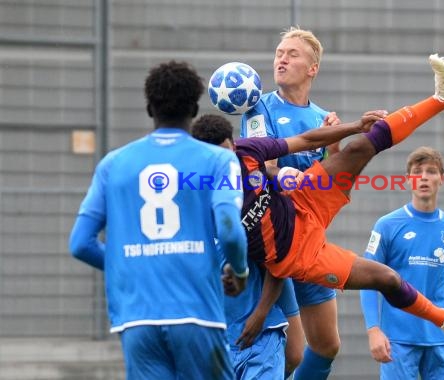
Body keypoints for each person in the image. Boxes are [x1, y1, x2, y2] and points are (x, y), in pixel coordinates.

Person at [194, 53, 444, 364]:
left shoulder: (247, 150)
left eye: (231, 151)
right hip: (300, 255)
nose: (230, 160)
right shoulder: (207, 199)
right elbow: (271, 261)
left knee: (361, 145)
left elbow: (306, 139)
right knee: (385, 279)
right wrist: (261, 312)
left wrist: (354, 126)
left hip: (304, 201)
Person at [68, 60, 249, 380]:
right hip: (197, 314)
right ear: (194, 109)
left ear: (150, 108)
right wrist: (239, 270)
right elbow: (230, 231)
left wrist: (127, 264)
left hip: (137, 319)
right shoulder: (220, 160)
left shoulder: (114, 164)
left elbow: (80, 244)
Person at [241, 26, 343, 380]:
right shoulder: (258, 109)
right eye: (279, 53)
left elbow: (331, 180)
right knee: (292, 352)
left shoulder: (322, 118)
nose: (281, 59)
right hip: (275, 240)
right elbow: (262, 166)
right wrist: (282, 175)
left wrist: (334, 145)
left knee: (327, 346)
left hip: (310, 239)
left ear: (312, 68)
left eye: (292, 54)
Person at [360, 146, 444, 380]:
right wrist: (373, 329)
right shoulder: (387, 225)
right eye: (417, 171)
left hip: (442, 337)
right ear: (408, 180)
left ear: (442, 179)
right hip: (398, 340)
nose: (424, 177)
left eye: (431, 171)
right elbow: (367, 280)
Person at [196, 114, 300, 380]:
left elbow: (278, 258)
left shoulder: (253, 195)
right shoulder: (192, 206)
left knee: (302, 351)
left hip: (260, 335)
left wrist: (260, 314)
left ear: (234, 146)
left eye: (227, 152)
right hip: (214, 342)